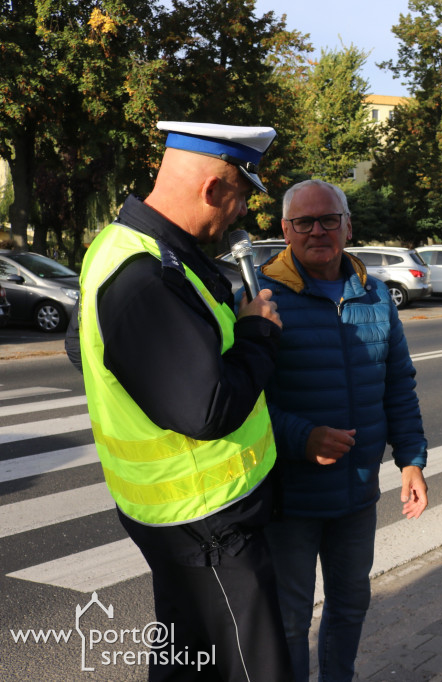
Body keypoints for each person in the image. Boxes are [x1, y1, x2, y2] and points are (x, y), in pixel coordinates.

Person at [74, 121, 293, 680]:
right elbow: (207, 409)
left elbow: (84, 350)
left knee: (186, 663)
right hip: (207, 526)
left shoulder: (134, 247)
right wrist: (257, 335)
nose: (241, 213)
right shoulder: (144, 275)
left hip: (185, 524)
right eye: (241, 196)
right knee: (253, 670)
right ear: (213, 188)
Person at [250, 179, 428, 682]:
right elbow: (243, 399)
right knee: (288, 621)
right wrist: (301, 437)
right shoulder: (262, 294)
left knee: (351, 607)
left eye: (329, 219)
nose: (318, 230)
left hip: (355, 495)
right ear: (285, 230)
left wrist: (411, 459)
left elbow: (398, 382)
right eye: (304, 222)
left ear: (348, 226)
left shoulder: (373, 296)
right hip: (290, 499)